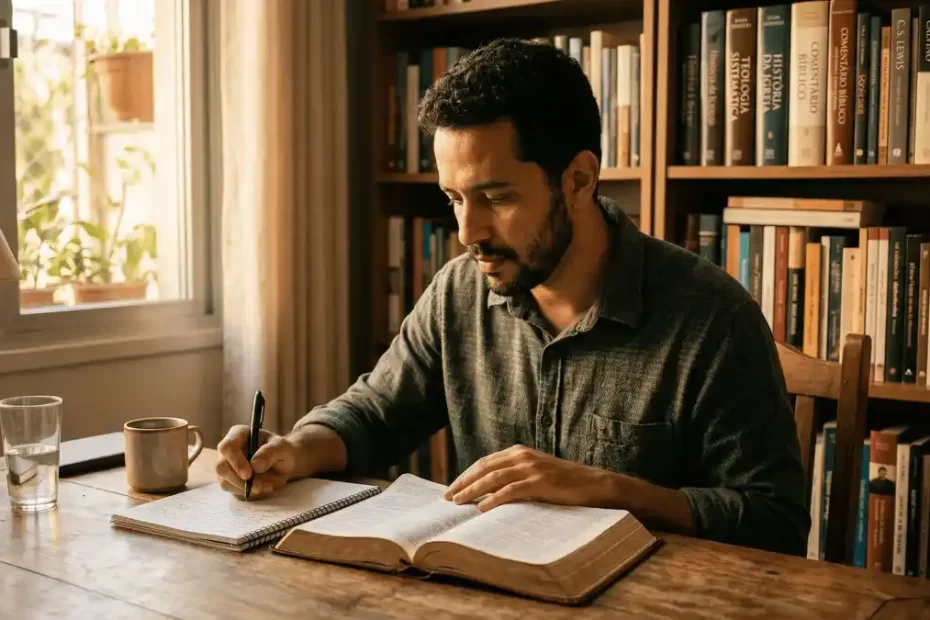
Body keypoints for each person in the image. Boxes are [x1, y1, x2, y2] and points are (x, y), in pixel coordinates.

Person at [215, 38, 810, 556]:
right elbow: (372, 416)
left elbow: (774, 522)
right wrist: (293, 450)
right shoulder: (459, 293)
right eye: (454, 198)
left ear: (578, 179)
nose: (468, 232)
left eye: (495, 197)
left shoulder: (714, 320)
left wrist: (609, 490)